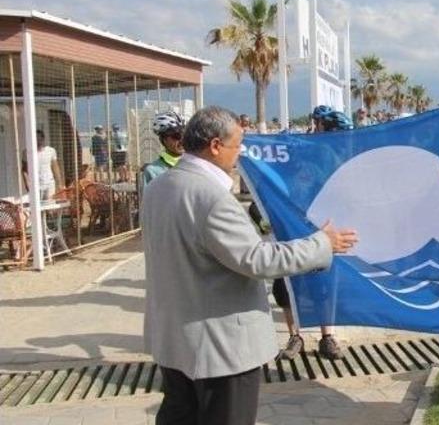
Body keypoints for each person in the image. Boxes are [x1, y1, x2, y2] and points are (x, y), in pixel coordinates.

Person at [141, 107, 358, 425]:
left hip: (174, 341)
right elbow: (258, 260)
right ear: (216, 146)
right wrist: (322, 244)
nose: (240, 152)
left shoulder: (158, 187)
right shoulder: (211, 198)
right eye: (237, 144)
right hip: (220, 349)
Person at [272, 105, 352, 361]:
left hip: (322, 229)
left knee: (324, 285)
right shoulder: (300, 151)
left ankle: (327, 337)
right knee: (286, 285)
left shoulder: (338, 158)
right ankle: (295, 336)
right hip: (293, 227)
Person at [141, 112, 185, 188]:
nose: (181, 140)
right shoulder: (153, 171)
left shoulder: (194, 164)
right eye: (176, 136)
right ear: (164, 140)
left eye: (184, 134)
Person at [22, 130, 63, 200]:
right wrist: (27, 184)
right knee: (37, 205)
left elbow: (55, 168)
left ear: (43, 139)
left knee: (49, 204)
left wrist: (59, 184)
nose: (38, 141)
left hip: (49, 184)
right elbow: (24, 170)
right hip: (35, 185)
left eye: (40, 139)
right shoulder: (27, 152)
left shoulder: (51, 151)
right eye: (36, 139)